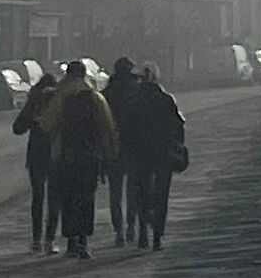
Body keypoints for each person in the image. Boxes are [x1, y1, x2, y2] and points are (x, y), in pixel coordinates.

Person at [39, 59, 119, 260]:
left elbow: (47, 125)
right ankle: (84, 240)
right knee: (86, 198)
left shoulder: (61, 96)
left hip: (65, 155)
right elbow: (107, 127)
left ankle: (71, 241)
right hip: (89, 156)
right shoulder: (95, 97)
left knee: (68, 198)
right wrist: (109, 153)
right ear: (84, 75)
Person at [123, 62, 186, 250]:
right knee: (161, 196)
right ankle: (157, 236)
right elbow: (178, 126)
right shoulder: (166, 100)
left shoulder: (134, 102)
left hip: (141, 156)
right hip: (163, 154)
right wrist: (177, 145)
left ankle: (143, 234)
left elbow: (127, 131)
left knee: (143, 195)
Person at [13, 69, 60, 254]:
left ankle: (36, 239)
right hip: (55, 154)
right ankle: (50, 240)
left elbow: (17, 128)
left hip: (36, 155)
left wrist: (33, 122)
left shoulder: (33, 103)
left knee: (38, 198)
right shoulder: (58, 102)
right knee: (54, 199)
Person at [103, 56, 142, 247]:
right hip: (135, 147)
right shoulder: (138, 90)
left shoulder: (107, 93)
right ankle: (131, 226)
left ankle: (118, 229)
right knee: (133, 190)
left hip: (113, 146)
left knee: (115, 191)